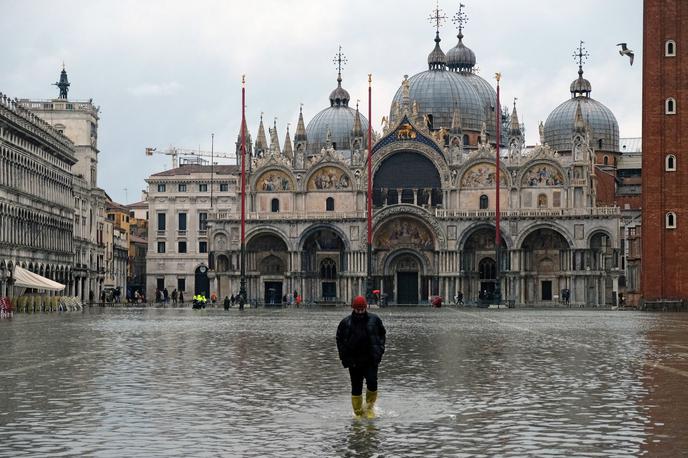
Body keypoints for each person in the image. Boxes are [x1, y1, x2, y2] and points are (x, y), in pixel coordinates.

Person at [336, 295, 386, 418]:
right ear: (353, 309)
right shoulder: (345, 323)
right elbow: (340, 341)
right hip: (354, 361)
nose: (360, 312)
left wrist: (379, 351)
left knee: (372, 383)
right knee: (356, 387)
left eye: (362, 310)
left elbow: (382, 335)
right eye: (357, 310)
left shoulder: (375, 320)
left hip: (370, 359)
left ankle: (369, 408)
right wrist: (345, 358)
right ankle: (358, 412)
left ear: (365, 308)